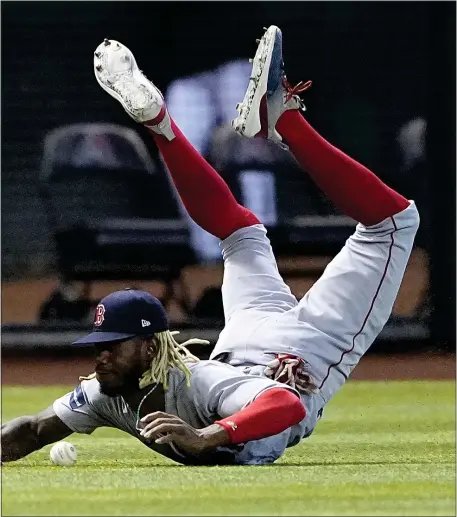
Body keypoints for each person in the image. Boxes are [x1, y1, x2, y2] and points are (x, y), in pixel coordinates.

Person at [1, 26, 419, 466]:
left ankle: (278, 122)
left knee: (390, 223)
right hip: (251, 343)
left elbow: (287, 406)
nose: (101, 356)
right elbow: (29, 430)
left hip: (287, 356)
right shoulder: (108, 392)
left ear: (149, 348)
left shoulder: (195, 382)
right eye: (100, 343)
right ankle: (164, 127)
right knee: (242, 232)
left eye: (114, 343)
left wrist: (207, 435)